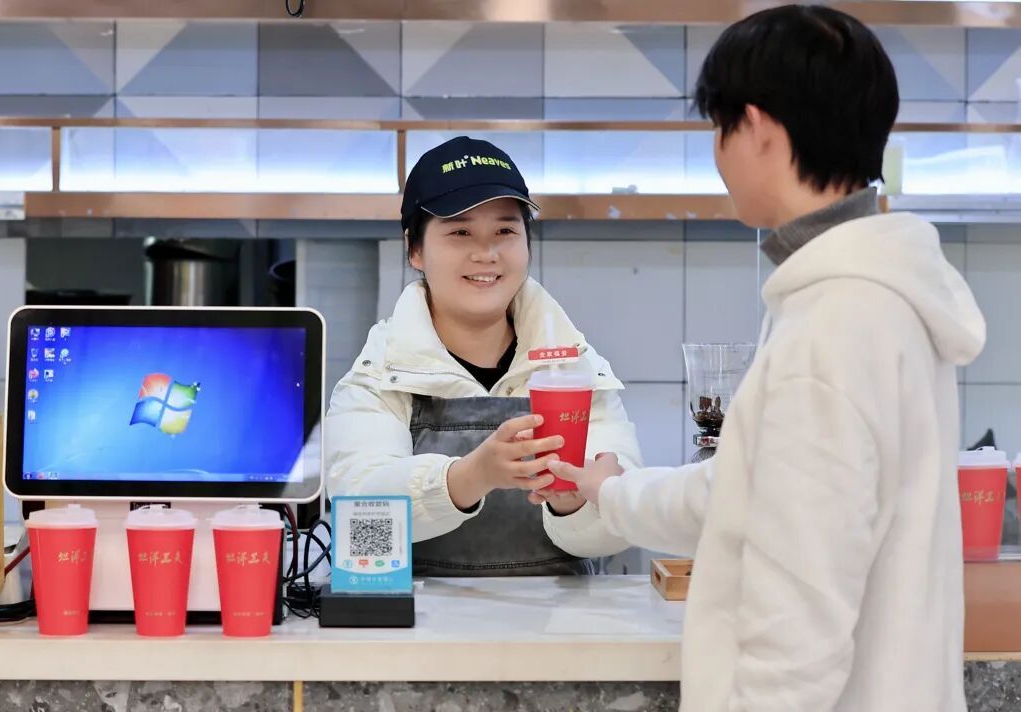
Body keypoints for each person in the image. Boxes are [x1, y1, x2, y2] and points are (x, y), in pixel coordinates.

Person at [552, 6, 985, 710]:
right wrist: (610, 492)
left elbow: (797, 638)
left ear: (757, 129)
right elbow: (741, 496)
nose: (718, 155)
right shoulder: (875, 299)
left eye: (719, 129)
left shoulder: (834, 329)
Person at [325, 136, 643, 576]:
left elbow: (623, 523)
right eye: (460, 232)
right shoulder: (380, 375)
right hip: (418, 617)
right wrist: (470, 476)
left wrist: (576, 504)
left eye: (505, 231)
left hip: (558, 617)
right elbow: (359, 520)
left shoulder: (575, 368)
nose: (486, 253)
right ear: (415, 249)